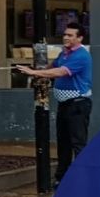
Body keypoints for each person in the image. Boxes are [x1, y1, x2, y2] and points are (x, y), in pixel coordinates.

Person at [16, 22, 92, 186]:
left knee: (78, 142)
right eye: (65, 34)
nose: (66, 37)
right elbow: (54, 66)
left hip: (78, 104)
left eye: (70, 35)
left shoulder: (81, 56)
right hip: (65, 104)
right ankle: (62, 178)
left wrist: (35, 73)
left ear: (79, 38)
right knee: (63, 142)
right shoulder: (64, 53)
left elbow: (60, 72)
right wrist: (37, 70)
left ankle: (83, 180)